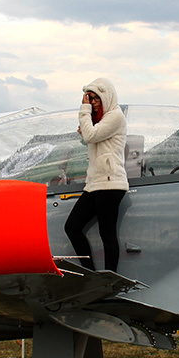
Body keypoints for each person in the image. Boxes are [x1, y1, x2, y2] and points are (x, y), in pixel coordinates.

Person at [64, 77, 127, 273]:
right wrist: (85, 129)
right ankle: (90, 274)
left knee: (106, 234)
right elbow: (91, 140)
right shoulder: (100, 120)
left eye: (94, 98)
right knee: (72, 226)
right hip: (96, 183)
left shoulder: (115, 116)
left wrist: (84, 114)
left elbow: (91, 136)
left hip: (110, 184)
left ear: (105, 97)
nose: (90, 103)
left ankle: (110, 278)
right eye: (88, 98)